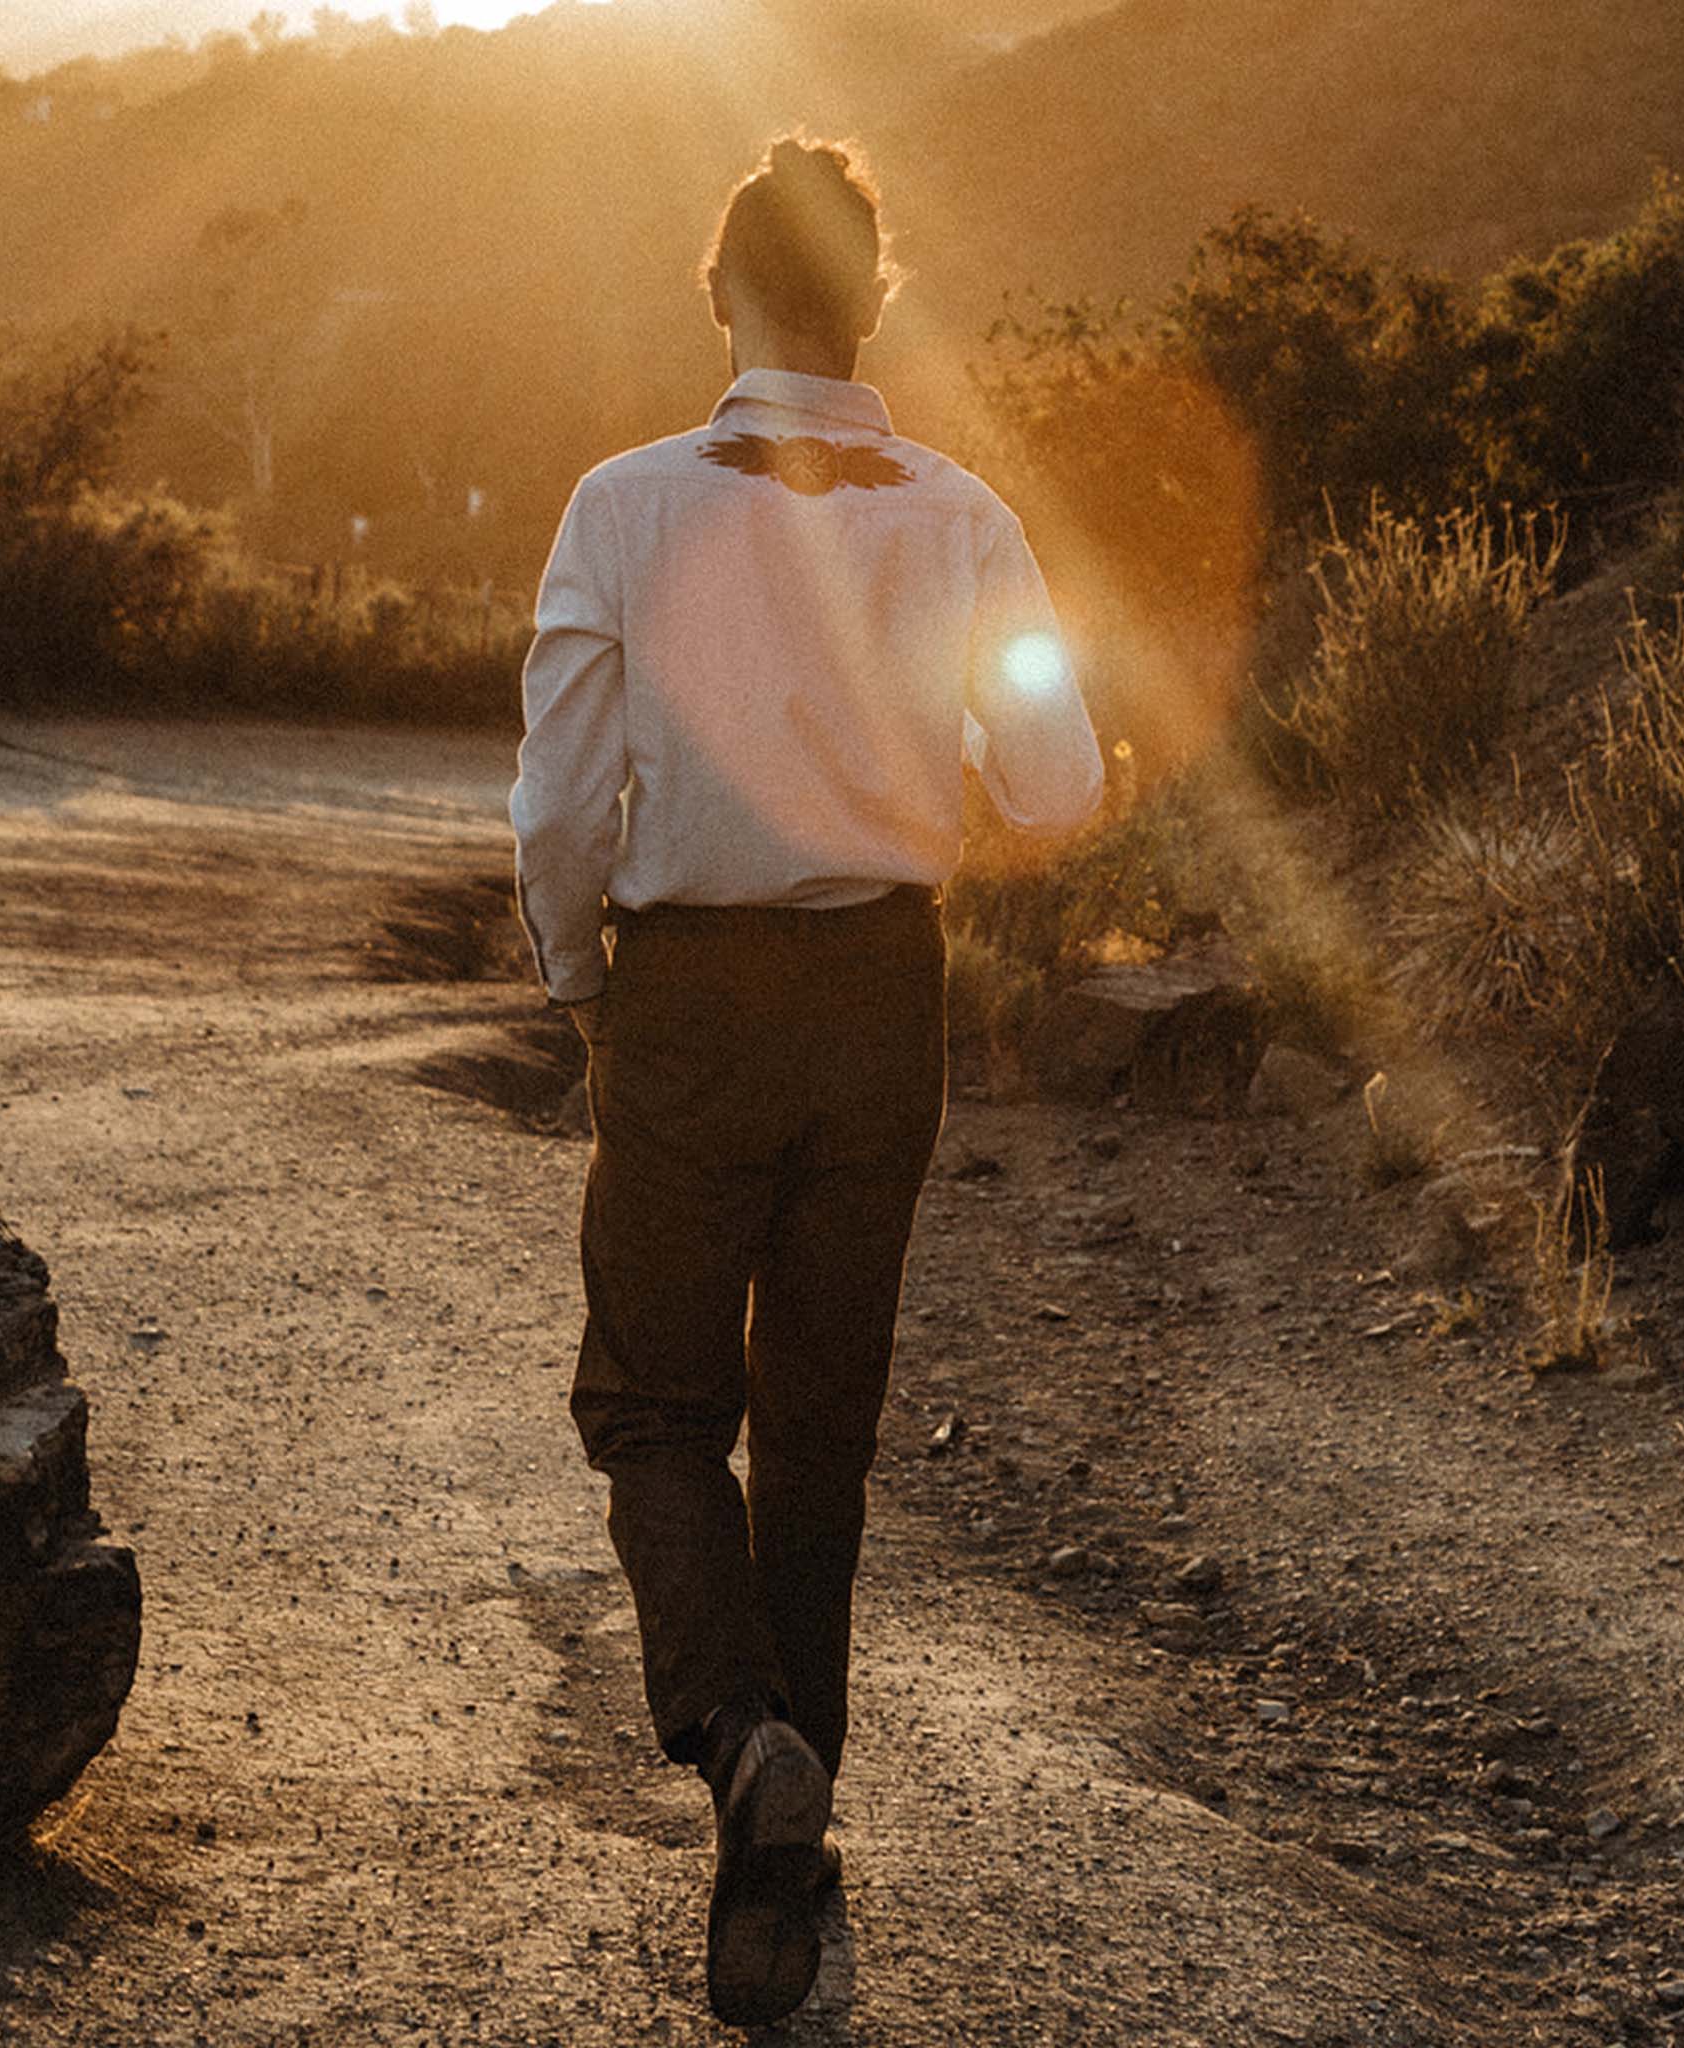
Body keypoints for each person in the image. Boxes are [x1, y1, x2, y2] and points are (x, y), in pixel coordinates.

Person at [509, 133, 1104, 2028]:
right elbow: (1061, 786)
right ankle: (782, 1863)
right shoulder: (962, 514)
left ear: (726, 296)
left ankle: (743, 1739)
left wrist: (580, 978)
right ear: (872, 303)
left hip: (687, 999)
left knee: (655, 1407)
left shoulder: (622, 505)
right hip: (878, 996)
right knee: (819, 1433)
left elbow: (554, 805)